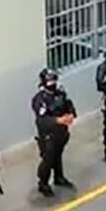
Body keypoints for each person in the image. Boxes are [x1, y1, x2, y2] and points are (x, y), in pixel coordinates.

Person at [32, 67, 76, 198]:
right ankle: (43, 183)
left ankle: (59, 177)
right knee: (48, 160)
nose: (53, 83)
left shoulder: (60, 93)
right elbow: (41, 120)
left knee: (58, 155)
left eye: (54, 80)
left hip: (61, 133)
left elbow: (69, 105)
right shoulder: (40, 99)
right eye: (50, 81)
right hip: (48, 135)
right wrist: (57, 120)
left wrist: (71, 114)